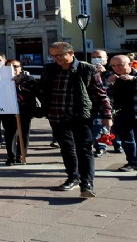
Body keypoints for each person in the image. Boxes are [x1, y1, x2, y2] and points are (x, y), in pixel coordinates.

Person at [39, 42, 112, 198]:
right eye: (52, 56)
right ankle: (73, 177)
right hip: (56, 116)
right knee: (66, 148)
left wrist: (107, 115)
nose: (56, 59)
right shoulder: (50, 69)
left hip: (80, 116)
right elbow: (41, 88)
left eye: (59, 55)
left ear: (71, 53)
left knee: (84, 149)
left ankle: (87, 184)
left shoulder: (87, 69)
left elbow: (100, 94)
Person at [2, 59, 38, 166]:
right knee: (10, 134)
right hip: (9, 111)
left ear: (20, 68)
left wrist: (21, 82)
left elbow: (34, 89)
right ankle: (11, 156)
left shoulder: (28, 79)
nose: (13, 69)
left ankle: (21, 155)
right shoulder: (2, 80)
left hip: (25, 111)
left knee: (24, 134)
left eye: (15, 66)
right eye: (9, 67)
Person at [90, 49, 122, 157]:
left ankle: (117, 144)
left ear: (106, 58)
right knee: (98, 126)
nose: (96, 60)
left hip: (113, 104)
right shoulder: (89, 71)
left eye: (99, 57)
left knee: (114, 126)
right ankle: (100, 147)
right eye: (93, 57)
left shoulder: (113, 70)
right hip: (96, 105)